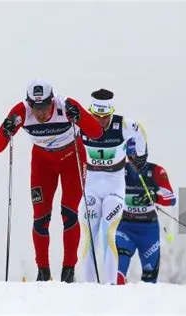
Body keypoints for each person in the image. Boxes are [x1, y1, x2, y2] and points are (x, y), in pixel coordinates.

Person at [0, 79, 103, 282]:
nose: (40, 113)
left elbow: (96, 133)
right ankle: (43, 272)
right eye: (35, 107)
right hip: (43, 163)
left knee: (69, 213)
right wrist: (5, 131)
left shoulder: (66, 106)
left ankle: (68, 271)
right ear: (29, 104)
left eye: (44, 107)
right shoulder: (21, 112)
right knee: (40, 218)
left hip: (72, 158)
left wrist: (80, 119)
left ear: (52, 101)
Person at [79, 88, 148, 284]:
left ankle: (110, 285)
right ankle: (87, 286)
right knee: (89, 237)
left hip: (114, 189)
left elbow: (140, 136)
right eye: (96, 116)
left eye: (105, 117)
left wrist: (139, 157)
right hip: (90, 188)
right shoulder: (81, 123)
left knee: (110, 235)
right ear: (90, 112)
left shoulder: (124, 124)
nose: (101, 121)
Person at [115, 138, 176, 285]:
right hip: (125, 227)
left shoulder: (156, 171)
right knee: (118, 272)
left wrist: (154, 197)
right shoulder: (120, 170)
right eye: (130, 157)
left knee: (150, 278)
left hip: (149, 230)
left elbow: (171, 199)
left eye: (139, 158)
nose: (134, 162)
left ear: (145, 154)